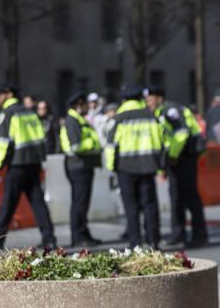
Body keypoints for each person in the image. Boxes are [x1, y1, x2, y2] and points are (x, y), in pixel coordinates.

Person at [0, 81, 56, 249]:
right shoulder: (29, 112)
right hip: (33, 163)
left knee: (8, 204)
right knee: (38, 202)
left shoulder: (7, 114)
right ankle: (49, 239)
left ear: (9, 94)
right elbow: (41, 138)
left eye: (0, 94)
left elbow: (4, 143)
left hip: (17, 165)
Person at [146, 86, 208, 247]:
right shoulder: (162, 111)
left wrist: (172, 156)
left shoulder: (171, 110)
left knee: (190, 196)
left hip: (184, 157)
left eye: (151, 99)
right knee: (176, 196)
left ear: (159, 97)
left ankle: (199, 235)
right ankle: (178, 233)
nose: (149, 103)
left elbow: (182, 133)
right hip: (177, 158)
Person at [104, 85, 164, 248]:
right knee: (149, 205)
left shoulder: (118, 119)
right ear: (140, 99)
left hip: (126, 168)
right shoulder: (151, 116)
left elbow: (110, 146)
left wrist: (112, 168)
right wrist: (160, 166)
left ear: (124, 100)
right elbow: (160, 142)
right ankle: (153, 241)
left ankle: (135, 243)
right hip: (148, 167)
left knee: (131, 208)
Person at [60, 91, 103, 247]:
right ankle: (78, 237)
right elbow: (76, 146)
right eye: (85, 104)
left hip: (83, 165)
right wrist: (93, 146)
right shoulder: (73, 121)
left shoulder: (78, 120)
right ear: (79, 105)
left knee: (82, 203)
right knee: (79, 203)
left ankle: (83, 234)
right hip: (78, 166)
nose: (87, 107)